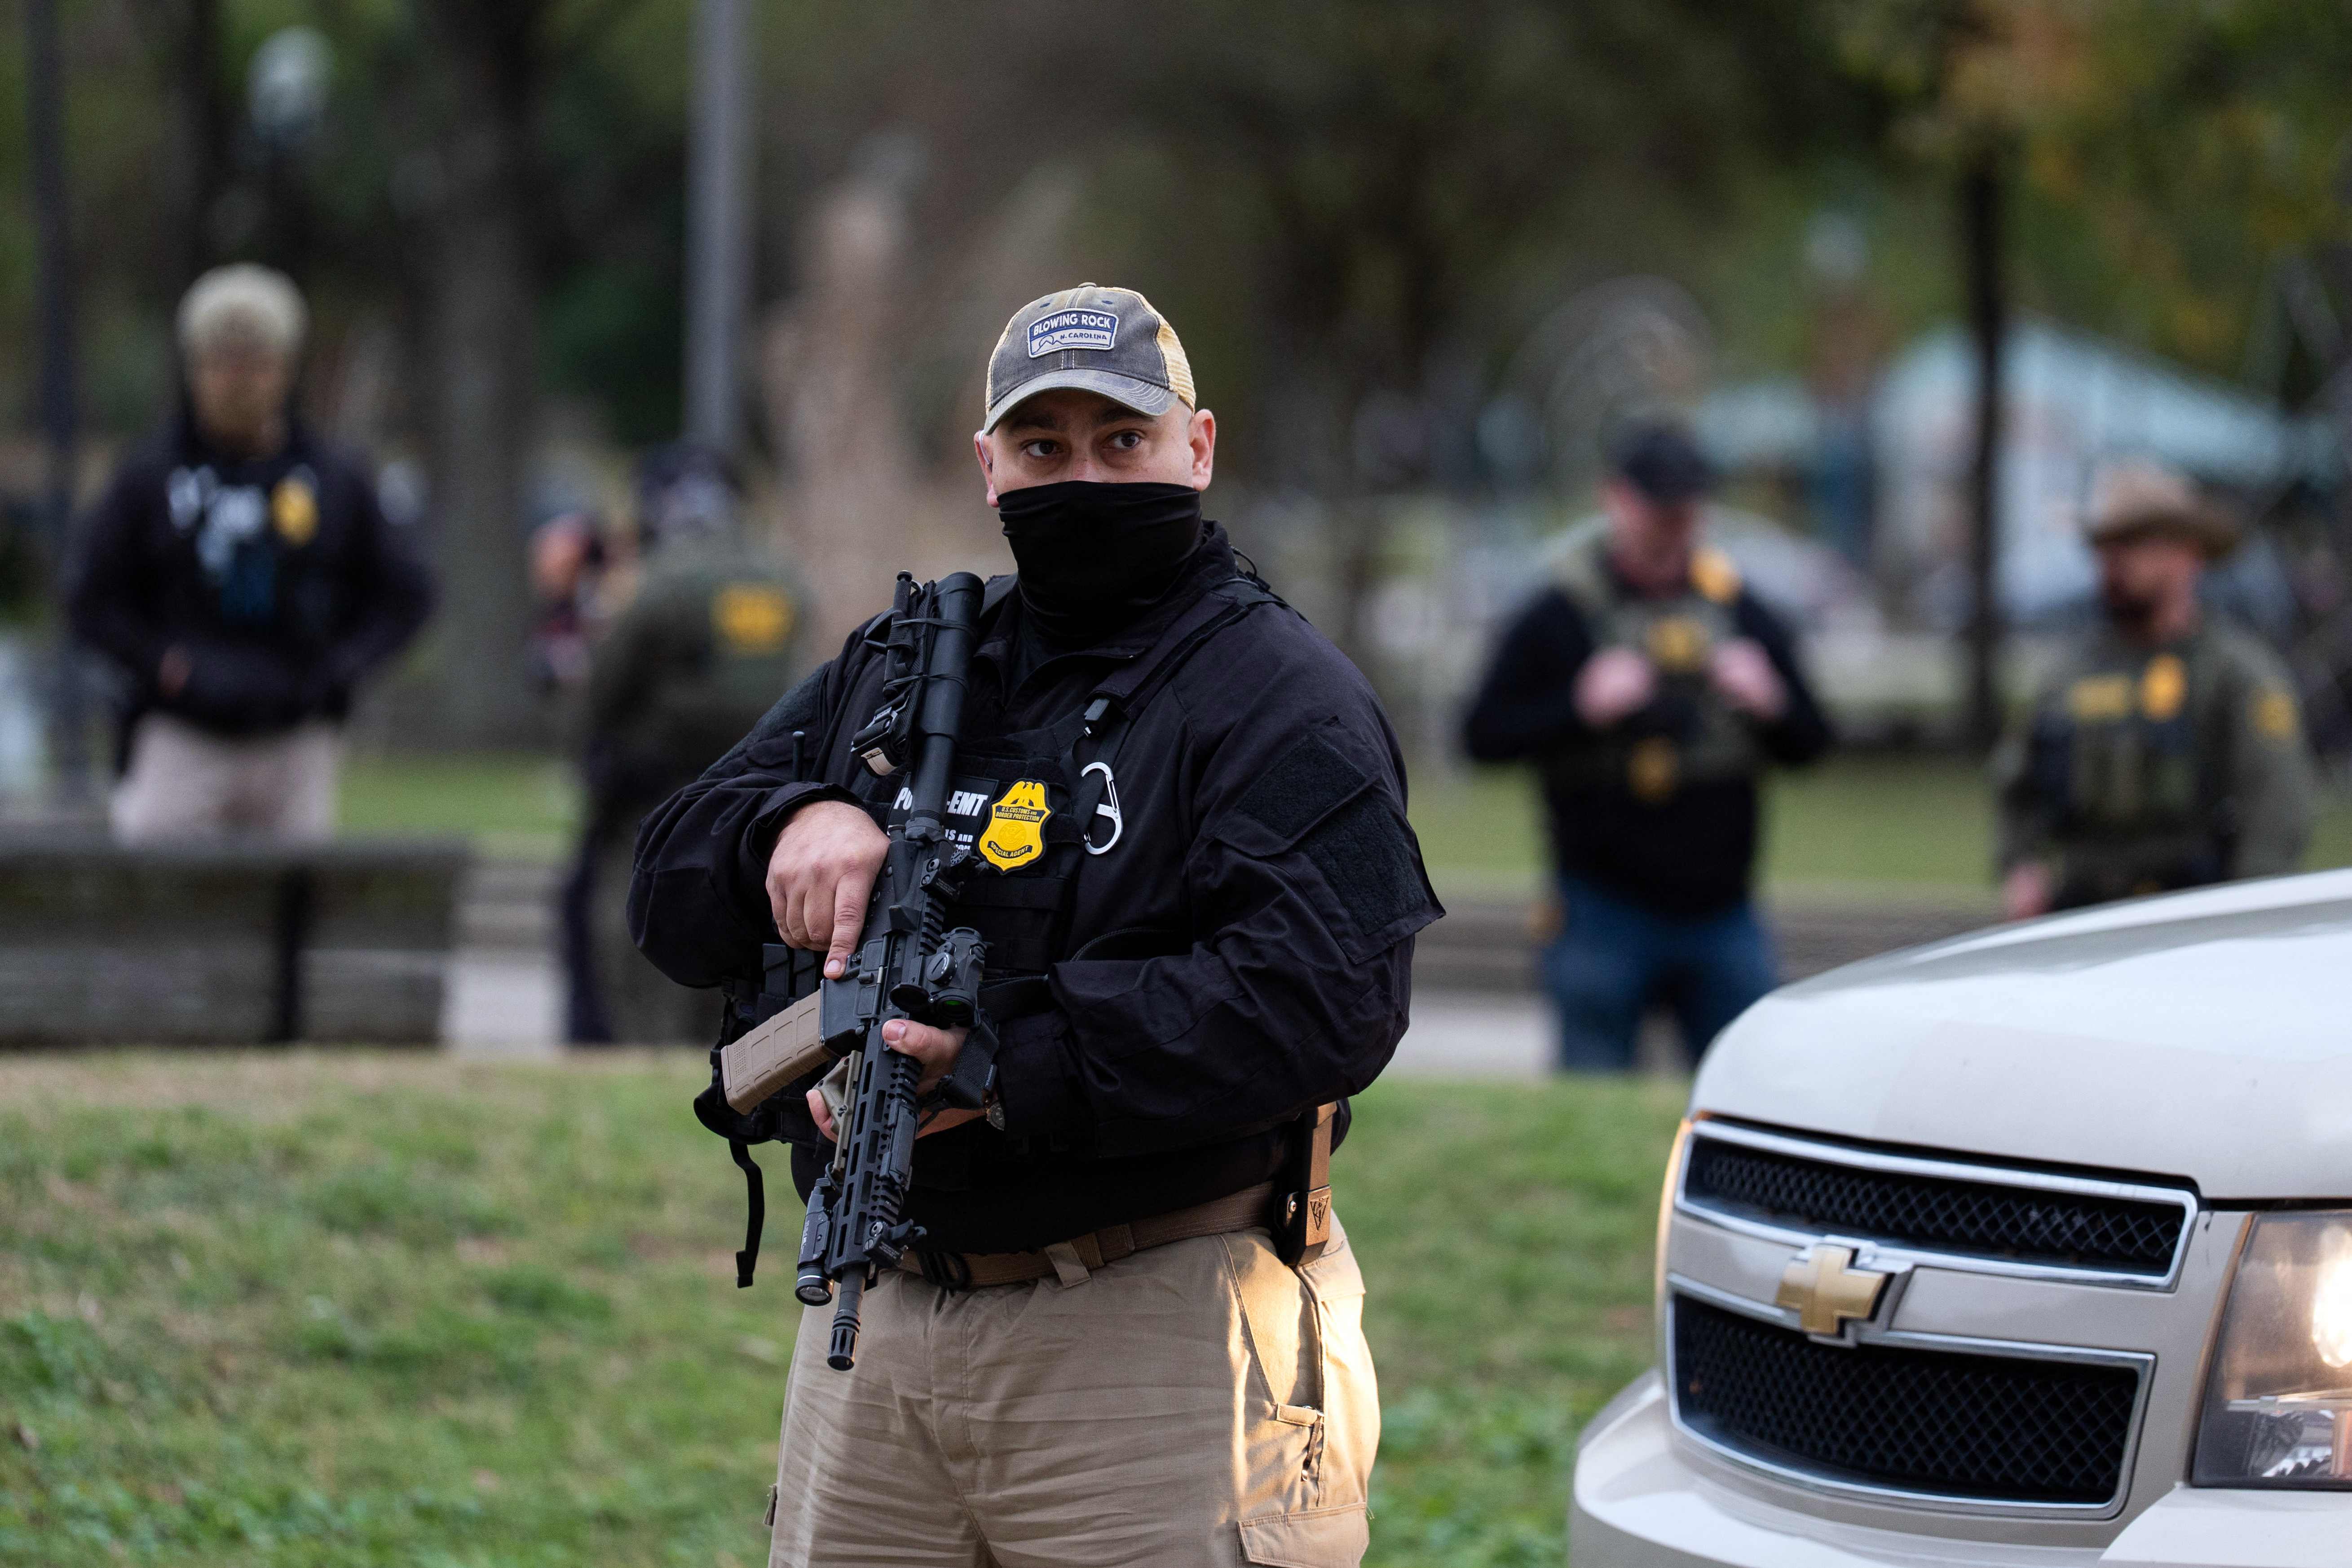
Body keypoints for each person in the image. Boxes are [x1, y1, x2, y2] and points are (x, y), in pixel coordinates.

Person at [629, 285, 1436, 1565]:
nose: (1086, 476)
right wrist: (781, 825)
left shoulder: (1281, 697)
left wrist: (1001, 1062)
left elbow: (1328, 996)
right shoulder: (904, 667)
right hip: (878, 1327)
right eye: (1044, 447)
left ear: (1198, 448)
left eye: (1122, 441)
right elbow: (666, 881)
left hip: (1159, 1332)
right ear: (988, 464)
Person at [1462, 420, 1832, 1071]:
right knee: (1593, 1106)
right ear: (1615, 499)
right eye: (1658, 502)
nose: (1673, 520)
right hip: (1602, 911)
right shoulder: (1561, 611)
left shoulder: (1741, 610)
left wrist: (1773, 701)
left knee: (1742, 1093)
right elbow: (1481, 736)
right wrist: (1577, 706)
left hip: (1724, 914)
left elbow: (1813, 743)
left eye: (1686, 503)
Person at [66, 264, 433, 840]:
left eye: (256, 363)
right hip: (182, 732)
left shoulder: (333, 477)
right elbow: (91, 597)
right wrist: (156, 660)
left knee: (295, 904)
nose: (237, 382)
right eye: (221, 362)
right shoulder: (149, 475)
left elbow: (407, 594)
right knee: (158, 889)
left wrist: (338, 669)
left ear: (286, 370)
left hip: (297, 736)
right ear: (194, 370)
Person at [1996, 459, 2313, 919]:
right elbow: (2017, 781)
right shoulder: (2069, 675)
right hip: (2080, 914)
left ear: (2186, 552)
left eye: (2130, 544)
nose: (2111, 563)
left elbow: (2275, 806)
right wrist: (2021, 865)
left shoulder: (2234, 674)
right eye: (2102, 547)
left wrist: (2245, 915)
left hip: (2192, 913)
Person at [561, 446, 801, 1044]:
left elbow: (603, 686)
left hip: (660, 785)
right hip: (754, 785)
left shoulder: (665, 578)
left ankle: (645, 1040)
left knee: (636, 915)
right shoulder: (780, 576)